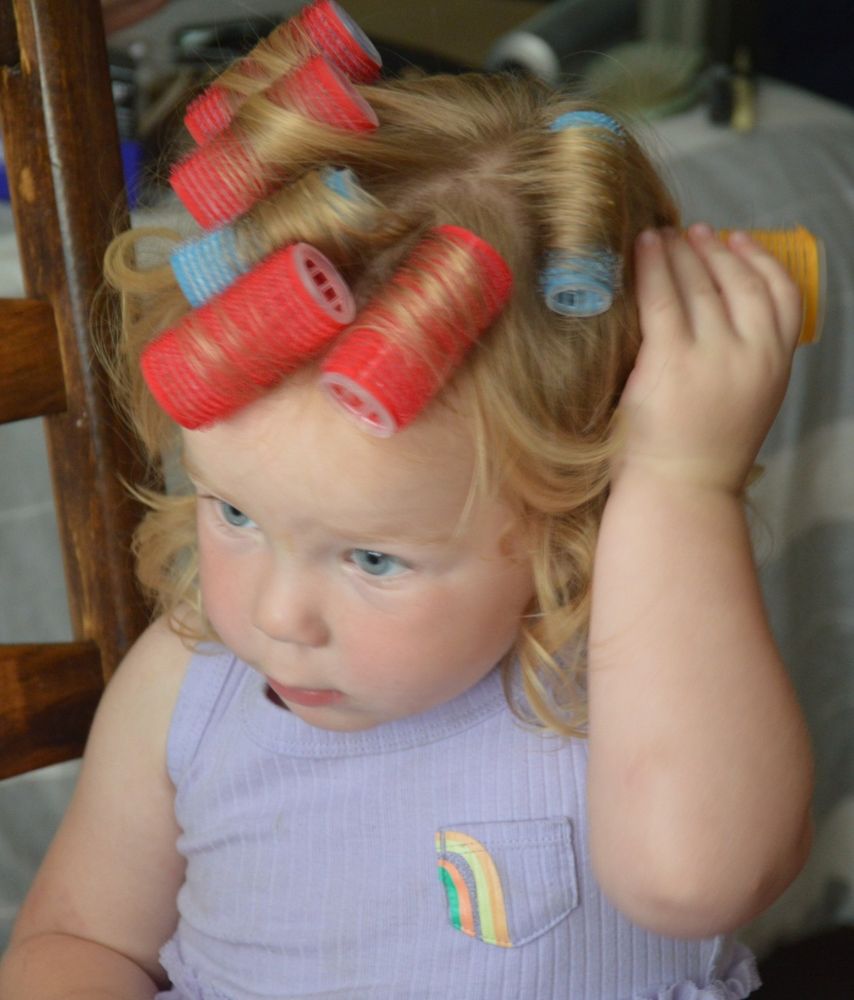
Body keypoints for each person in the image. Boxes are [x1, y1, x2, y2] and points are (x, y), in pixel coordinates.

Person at [0, 3, 814, 997]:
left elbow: (696, 880)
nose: (275, 615)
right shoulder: (189, 687)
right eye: (235, 514)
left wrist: (683, 481)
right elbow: (78, 939)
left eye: (374, 559)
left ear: (575, 515)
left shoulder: (621, 676)